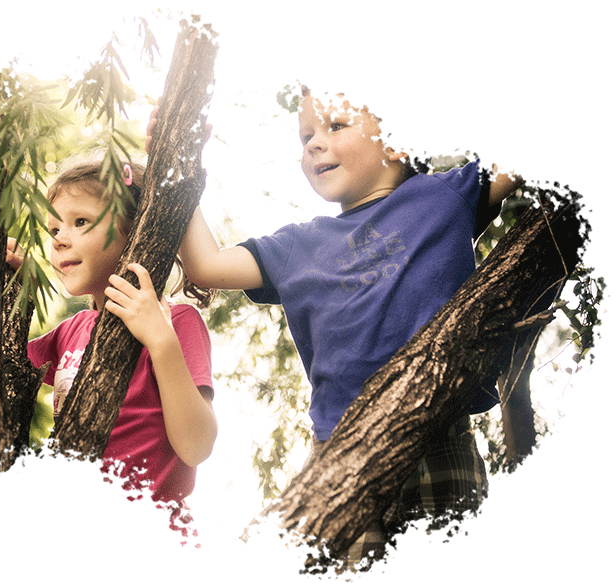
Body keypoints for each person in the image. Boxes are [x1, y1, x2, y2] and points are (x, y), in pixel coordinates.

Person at [150, 89, 523, 564]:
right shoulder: (299, 247)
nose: (312, 144)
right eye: (306, 135)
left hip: (437, 439)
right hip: (340, 453)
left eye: (335, 126)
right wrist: (179, 161)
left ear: (398, 142)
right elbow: (205, 264)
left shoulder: (445, 195)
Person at [6, 161, 218, 535]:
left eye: (81, 222)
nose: (58, 239)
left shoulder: (177, 321)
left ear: (134, 231)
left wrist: (160, 341)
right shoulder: (69, 332)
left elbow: (197, 446)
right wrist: (13, 284)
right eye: (53, 228)